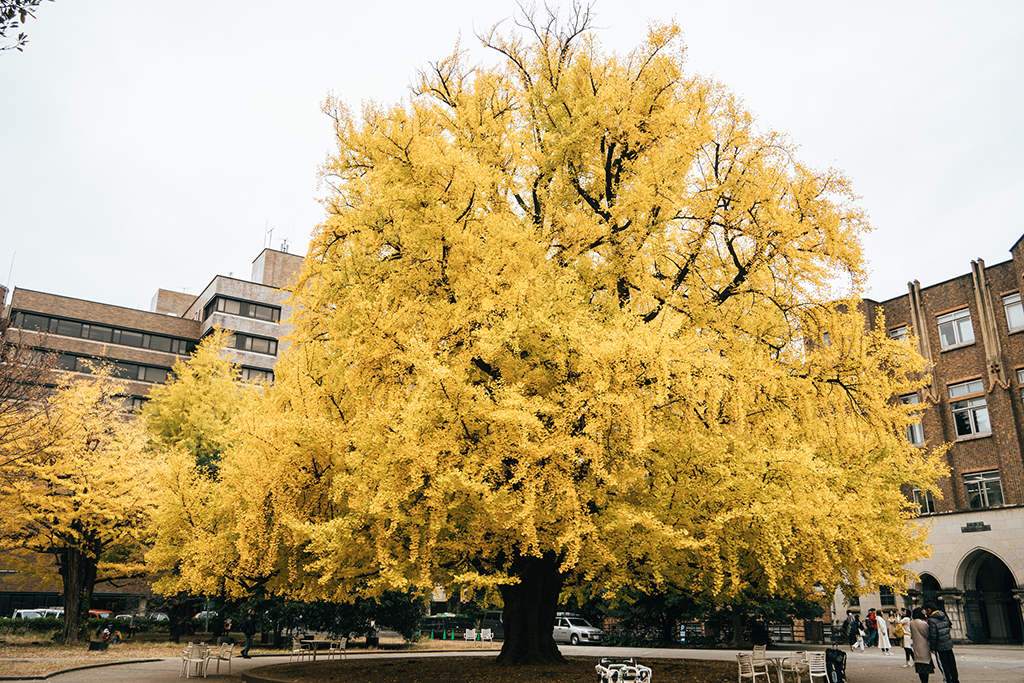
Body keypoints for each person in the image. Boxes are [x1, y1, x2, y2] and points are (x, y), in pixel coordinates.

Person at [926, 603, 959, 683]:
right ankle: (955, 679)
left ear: (929, 609)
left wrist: (932, 647)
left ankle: (947, 680)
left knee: (944, 665)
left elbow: (933, 635)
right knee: (952, 663)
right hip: (948, 643)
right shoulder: (944, 616)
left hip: (940, 646)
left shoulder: (932, 620)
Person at [910, 607, 934, 683]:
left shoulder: (911, 623)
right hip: (924, 646)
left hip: (916, 646)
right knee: (925, 665)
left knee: (920, 666)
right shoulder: (923, 624)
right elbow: (927, 635)